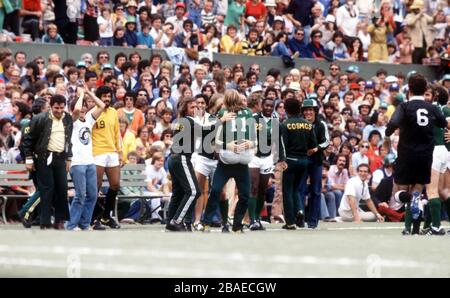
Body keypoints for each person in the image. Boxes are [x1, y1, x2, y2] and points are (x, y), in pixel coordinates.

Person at [386, 74, 449, 235]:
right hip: (426, 155)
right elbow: (443, 123)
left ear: (410, 89)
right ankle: (411, 225)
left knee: (398, 193)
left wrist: (388, 132)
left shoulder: (405, 106)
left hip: (407, 154)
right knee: (417, 189)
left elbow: (393, 123)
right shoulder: (432, 108)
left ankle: (410, 219)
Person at [202, 90, 256, 233]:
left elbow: (255, 139)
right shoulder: (222, 114)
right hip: (225, 162)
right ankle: (206, 222)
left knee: (245, 195)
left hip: (242, 162)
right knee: (215, 190)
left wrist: (249, 144)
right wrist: (228, 143)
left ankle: (237, 224)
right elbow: (212, 140)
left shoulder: (248, 113)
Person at [22, 94, 73, 230]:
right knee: (47, 190)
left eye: (62, 108)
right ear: (51, 106)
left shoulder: (67, 118)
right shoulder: (40, 119)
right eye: (56, 108)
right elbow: (28, 140)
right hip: (44, 158)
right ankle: (44, 222)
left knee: (62, 190)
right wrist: (28, 158)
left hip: (61, 157)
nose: (59, 110)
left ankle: (59, 220)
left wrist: (69, 157)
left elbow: (69, 140)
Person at [67, 87, 105, 231]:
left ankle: (84, 224)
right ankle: (71, 225)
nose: (82, 109)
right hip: (77, 163)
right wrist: (81, 94)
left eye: (84, 106)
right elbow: (76, 111)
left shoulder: (89, 120)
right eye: (80, 105)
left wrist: (89, 93)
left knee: (92, 195)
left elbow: (101, 106)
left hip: (90, 162)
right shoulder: (71, 121)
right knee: (80, 195)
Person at [278, 98, 317, 230]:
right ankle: (299, 210)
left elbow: (283, 145)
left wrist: (281, 159)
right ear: (299, 109)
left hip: (290, 160)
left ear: (287, 110)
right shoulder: (308, 124)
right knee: (295, 189)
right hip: (304, 161)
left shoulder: (285, 124)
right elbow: (313, 144)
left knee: (287, 190)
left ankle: (290, 221)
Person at [166, 97, 202, 231]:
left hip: (174, 158)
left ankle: (170, 222)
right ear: (185, 109)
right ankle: (177, 220)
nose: (195, 109)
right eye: (192, 107)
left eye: (196, 106)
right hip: (181, 158)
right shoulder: (188, 120)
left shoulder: (178, 121)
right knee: (194, 191)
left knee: (178, 193)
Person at [92, 86, 123, 230]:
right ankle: (93, 218)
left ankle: (105, 216)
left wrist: (120, 152)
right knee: (96, 186)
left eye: (108, 96)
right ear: (98, 97)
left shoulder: (113, 112)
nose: (106, 99)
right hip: (97, 152)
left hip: (112, 152)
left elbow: (117, 133)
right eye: (103, 96)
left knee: (115, 185)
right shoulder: (92, 113)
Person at [298, 98, 330, 229]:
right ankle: (299, 219)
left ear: (315, 111)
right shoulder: (298, 124)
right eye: (306, 110)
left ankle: (313, 221)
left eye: (311, 110)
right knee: (300, 189)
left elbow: (327, 141)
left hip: (316, 160)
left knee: (316, 190)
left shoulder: (322, 124)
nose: (308, 112)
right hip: (302, 160)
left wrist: (316, 149)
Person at [248, 98, 275, 231]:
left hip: (267, 157)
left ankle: (258, 218)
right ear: (261, 106)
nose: (269, 108)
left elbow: (277, 140)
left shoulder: (275, 121)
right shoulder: (253, 118)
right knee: (253, 187)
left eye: (271, 106)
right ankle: (252, 219)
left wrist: (280, 158)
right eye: (266, 105)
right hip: (254, 157)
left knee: (262, 190)